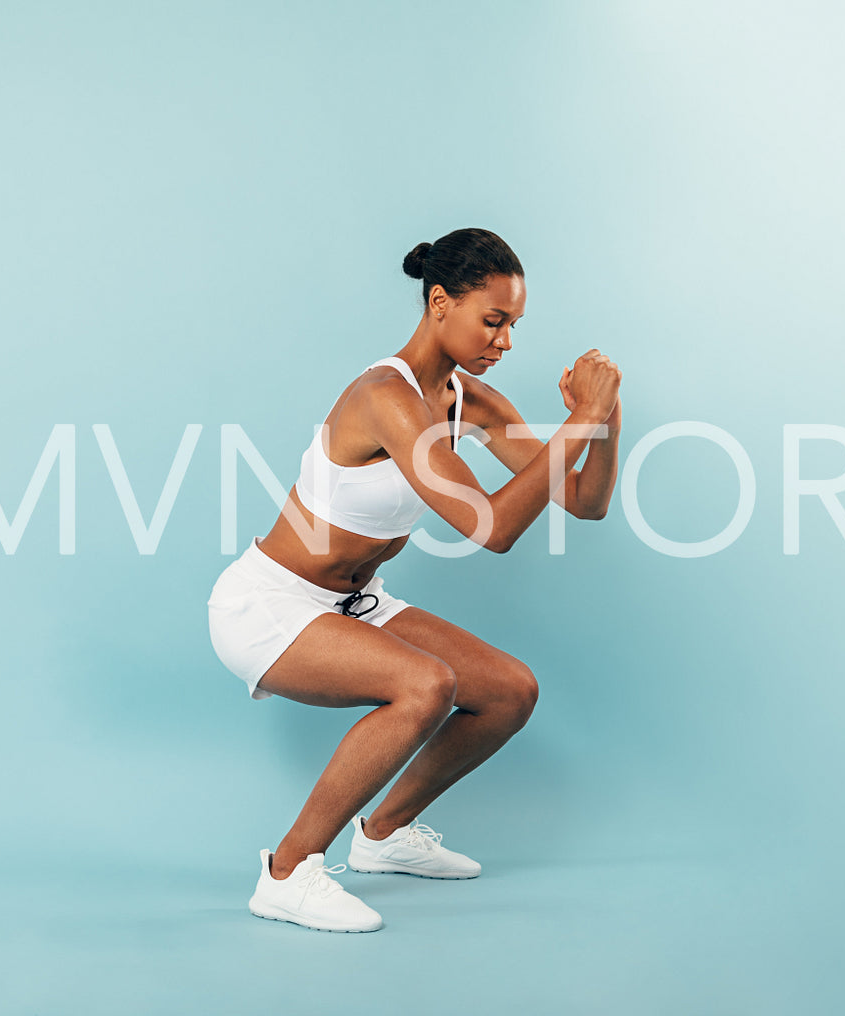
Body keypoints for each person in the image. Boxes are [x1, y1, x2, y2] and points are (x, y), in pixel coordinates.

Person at [206, 227, 623, 932]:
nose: (505, 342)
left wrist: (605, 415)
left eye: (514, 324)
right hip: (267, 605)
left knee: (508, 691)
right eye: (493, 320)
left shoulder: (470, 401)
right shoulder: (383, 397)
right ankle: (287, 872)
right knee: (424, 684)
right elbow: (489, 528)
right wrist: (578, 417)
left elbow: (583, 501)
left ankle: (383, 837)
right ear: (439, 303)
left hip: (350, 605)